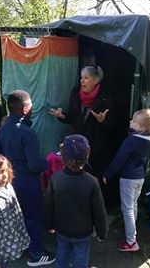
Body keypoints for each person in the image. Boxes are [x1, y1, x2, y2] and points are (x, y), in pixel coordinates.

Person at [0, 90, 55, 267]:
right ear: (25, 109)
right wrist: (47, 162)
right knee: (32, 216)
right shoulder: (27, 132)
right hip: (27, 181)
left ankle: (19, 247)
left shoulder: (4, 127)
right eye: (31, 105)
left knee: (16, 216)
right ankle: (36, 254)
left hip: (9, 179)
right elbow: (35, 164)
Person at [49, 65, 119, 207]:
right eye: (81, 77)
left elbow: (114, 125)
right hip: (78, 146)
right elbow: (73, 118)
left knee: (94, 180)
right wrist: (62, 116)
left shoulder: (106, 98)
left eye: (86, 78)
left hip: (97, 147)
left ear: (96, 80)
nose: (82, 81)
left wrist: (102, 121)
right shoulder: (75, 94)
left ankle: (96, 207)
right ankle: (79, 206)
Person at [45, 134, 108, 268]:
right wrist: (101, 232)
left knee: (61, 255)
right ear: (87, 156)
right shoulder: (92, 182)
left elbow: (48, 204)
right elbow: (99, 211)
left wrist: (49, 224)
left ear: (63, 156)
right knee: (81, 258)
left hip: (61, 229)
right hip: (83, 232)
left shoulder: (55, 179)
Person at [103, 109, 150, 252]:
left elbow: (119, 160)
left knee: (127, 209)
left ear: (141, 128)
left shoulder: (131, 141)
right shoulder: (149, 139)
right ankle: (132, 234)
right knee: (133, 206)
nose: (130, 122)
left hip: (128, 179)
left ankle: (131, 242)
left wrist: (107, 174)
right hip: (139, 177)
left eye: (133, 121)